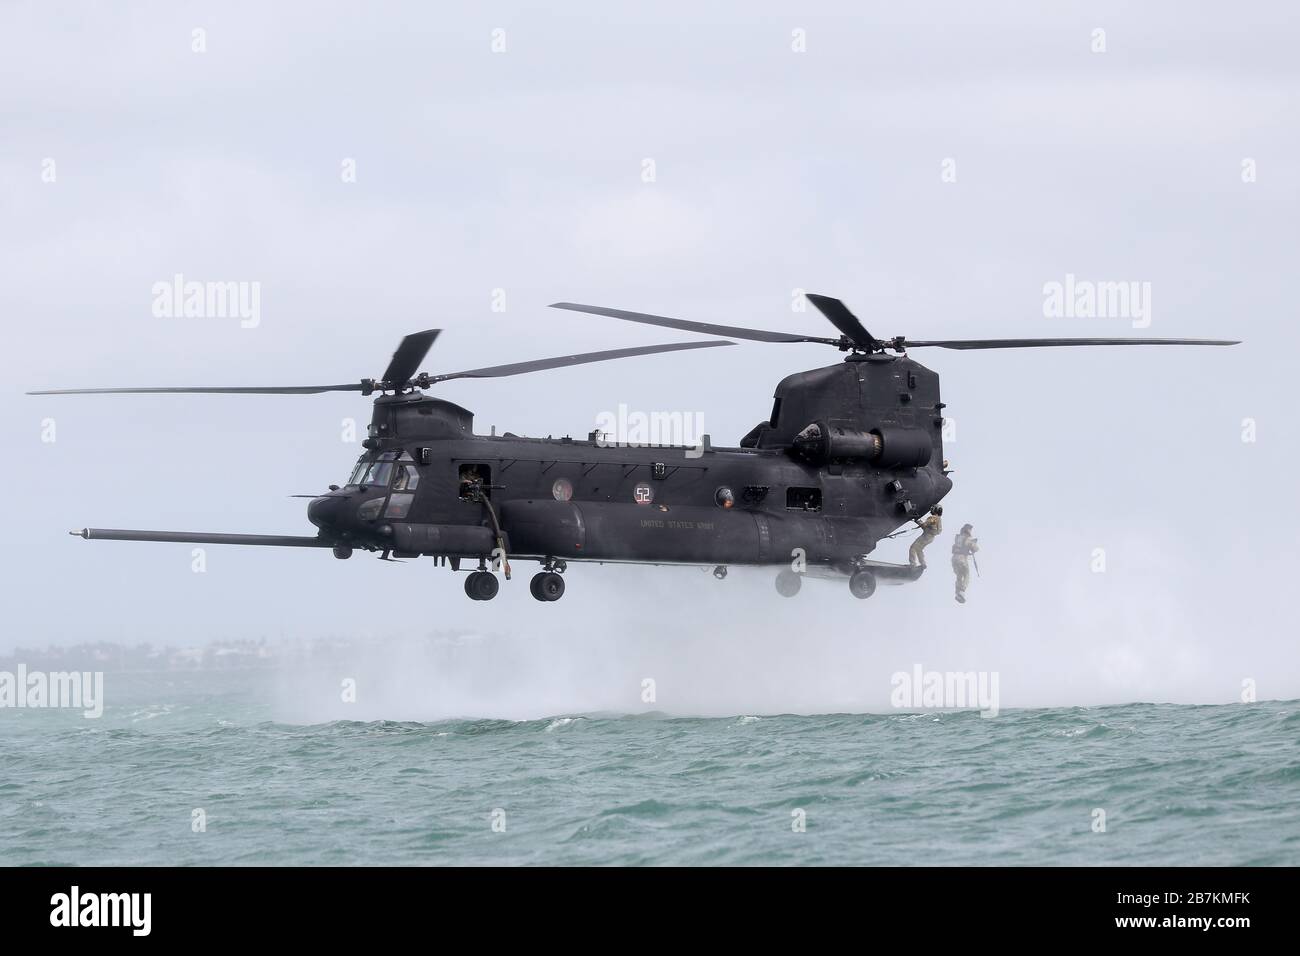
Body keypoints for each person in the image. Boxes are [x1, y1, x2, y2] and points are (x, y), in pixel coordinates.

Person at [951, 523, 979, 604]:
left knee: (959, 576)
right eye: (970, 529)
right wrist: (974, 543)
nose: (971, 531)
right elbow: (975, 549)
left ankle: (957, 593)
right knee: (967, 575)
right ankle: (962, 591)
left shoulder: (958, 537)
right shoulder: (968, 538)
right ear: (967, 530)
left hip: (954, 559)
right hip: (962, 559)